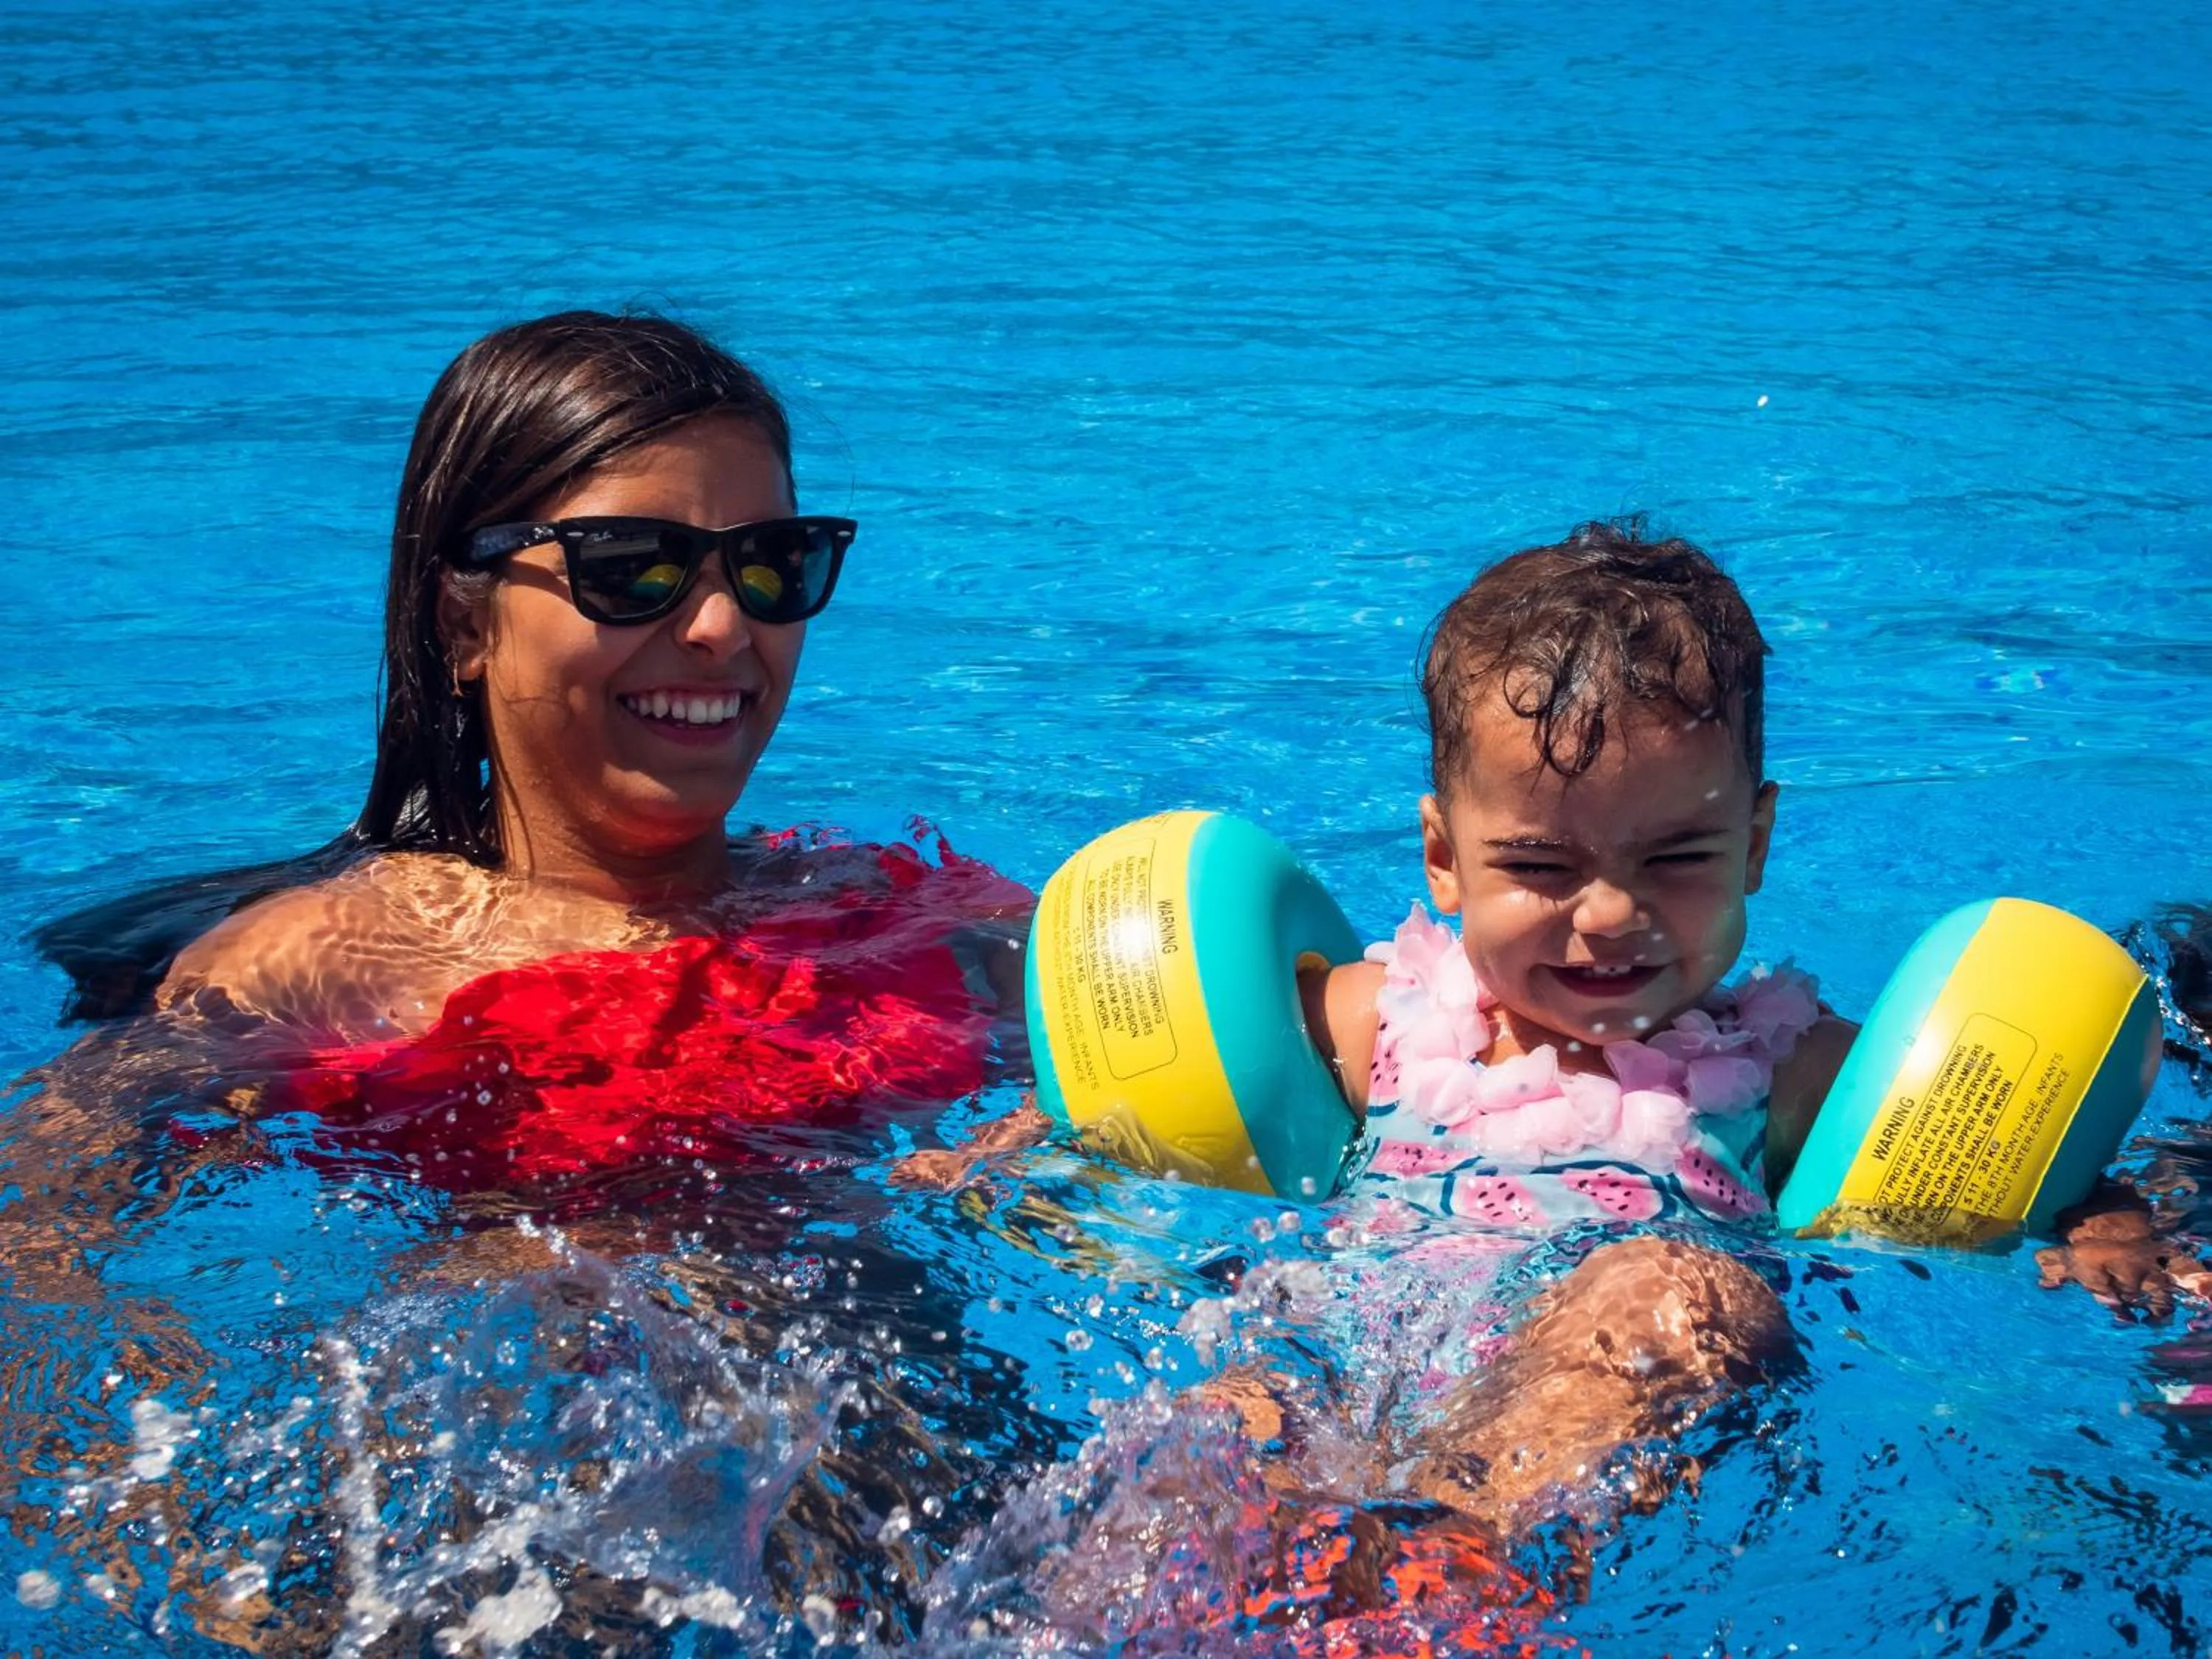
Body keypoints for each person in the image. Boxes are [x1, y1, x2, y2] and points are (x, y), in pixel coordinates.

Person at [8, 310, 1051, 1644]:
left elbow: (1223, 1059)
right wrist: (153, 1527)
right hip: (514, 1519)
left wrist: (1027, 1164)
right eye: (635, 567)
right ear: (461, 620)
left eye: (775, 565)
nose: (726, 627)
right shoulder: (329, 962)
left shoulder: (912, 913)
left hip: (934, 1477)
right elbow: (34, 1237)